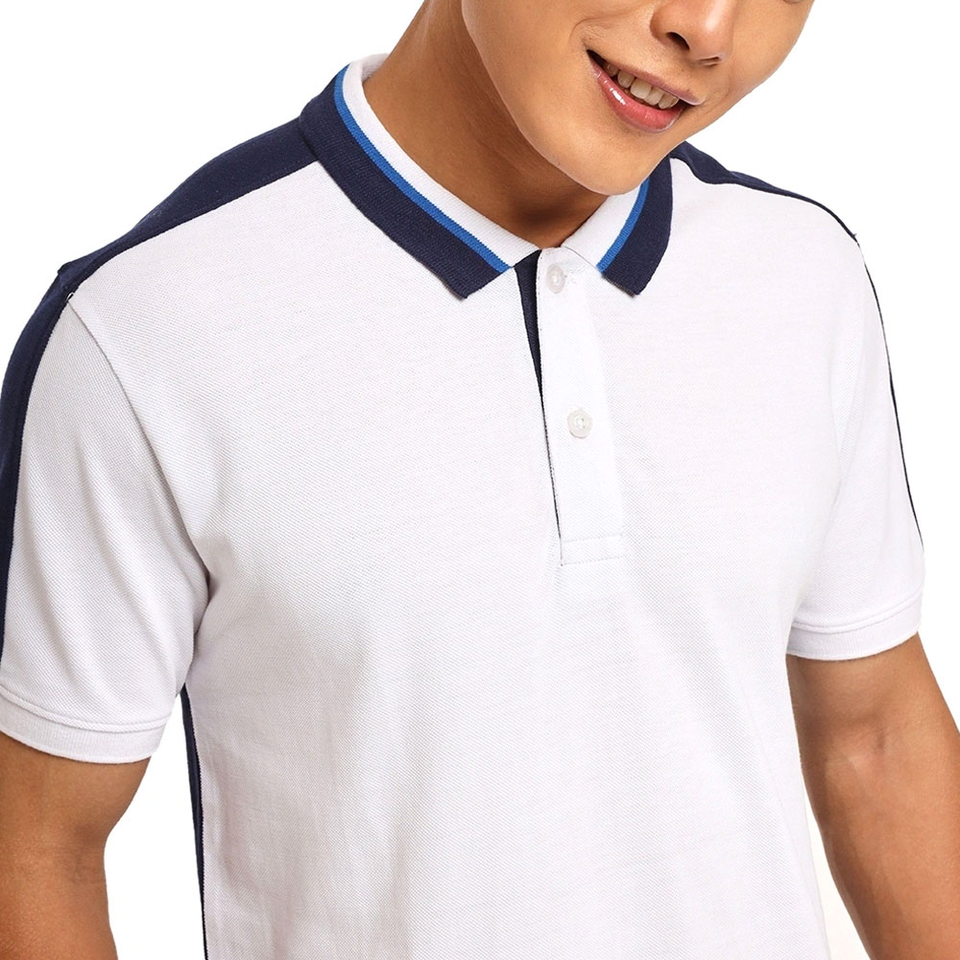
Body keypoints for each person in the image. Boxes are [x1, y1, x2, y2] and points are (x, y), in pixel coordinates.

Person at [1, 0, 958, 958]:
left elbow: (874, 737)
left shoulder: (801, 274)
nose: (708, 28)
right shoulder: (141, 329)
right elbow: (34, 844)